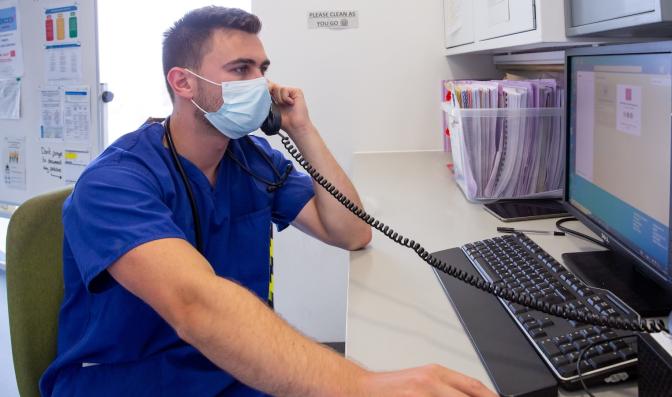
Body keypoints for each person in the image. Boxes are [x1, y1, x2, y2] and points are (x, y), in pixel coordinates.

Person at [40, 6, 497, 397]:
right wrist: (359, 384)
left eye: (262, 68)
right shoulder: (114, 183)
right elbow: (195, 307)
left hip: (233, 369)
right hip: (133, 381)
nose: (260, 83)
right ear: (183, 82)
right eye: (241, 69)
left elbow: (351, 232)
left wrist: (302, 129)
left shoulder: (249, 158)